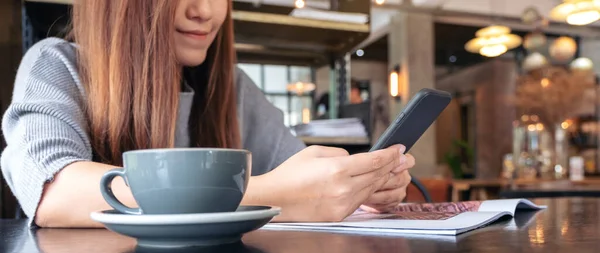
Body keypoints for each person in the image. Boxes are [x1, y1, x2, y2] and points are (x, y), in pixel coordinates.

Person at [1, 0, 415, 228]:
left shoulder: (231, 87)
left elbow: (303, 174)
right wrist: (273, 196)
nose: (206, 10)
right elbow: (54, 193)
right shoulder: (56, 65)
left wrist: (356, 185)